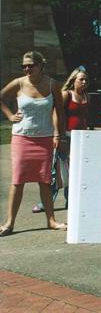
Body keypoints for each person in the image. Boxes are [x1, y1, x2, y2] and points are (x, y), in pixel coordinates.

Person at [0, 51, 68, 236]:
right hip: (22, 138)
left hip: (45, 139)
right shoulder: (19, 83)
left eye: (31, 65)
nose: (27, 69)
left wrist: (59, 136)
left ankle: (51, 220)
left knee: (45, 181)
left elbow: (60, 113)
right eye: (24, 66)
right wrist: (10, 116)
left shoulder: (53, 84)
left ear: (41, 65)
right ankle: (9, 223)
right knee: (18, 180)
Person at [33, 66, 89, 213]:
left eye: (85, 80)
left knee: (75, 170)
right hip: (66, 137)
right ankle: (46, 202)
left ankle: (70, 200)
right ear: (73, 80)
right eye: (81, 79)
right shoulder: (66, 94)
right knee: (57, 170)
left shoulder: (86, 96)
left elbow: (84, 117)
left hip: (80, 139)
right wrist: (58, 135)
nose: (84, 82)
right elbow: (56, 114)